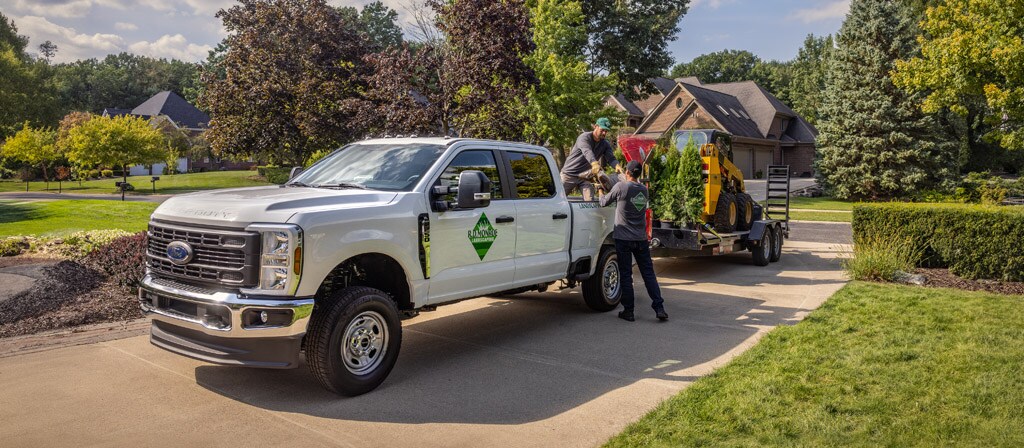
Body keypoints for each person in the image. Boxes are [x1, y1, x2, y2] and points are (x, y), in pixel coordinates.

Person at [599, 160, 668, 322]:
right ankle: (659, 308)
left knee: (625, 274)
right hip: (640, 239)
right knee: (649, 274)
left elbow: (603, 202)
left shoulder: (621, 187)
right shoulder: (644, 190)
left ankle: (628, 311)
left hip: (623, 238)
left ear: (628, 173)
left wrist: (601, 190)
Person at [560, 117, 622, 200]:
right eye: (602, 130)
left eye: (606, 131)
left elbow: (611, 158)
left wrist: (617, 165)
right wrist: (594, 163)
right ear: (596, 126)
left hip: (585, 177)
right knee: (558, 199)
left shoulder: (605, 144)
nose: (604, 133)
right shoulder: (584, 137)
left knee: (589, 202)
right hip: (569, 174)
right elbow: (587, 151)